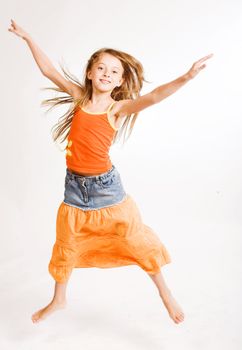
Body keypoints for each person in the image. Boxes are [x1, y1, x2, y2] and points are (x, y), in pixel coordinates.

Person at [8, 19, 213, 325]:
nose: (107, 74)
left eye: (114, 71)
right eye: (101, 68)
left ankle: (165, 293)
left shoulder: (116, 109)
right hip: (75, 188)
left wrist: (186, 76)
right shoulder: (79, 97)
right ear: (90, 73)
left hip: (107, 188)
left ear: (119, 82)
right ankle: (59, 299)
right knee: (66, 242)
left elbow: (154, 96)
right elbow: (49, 70)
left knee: (134, 239)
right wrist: (27, 38)